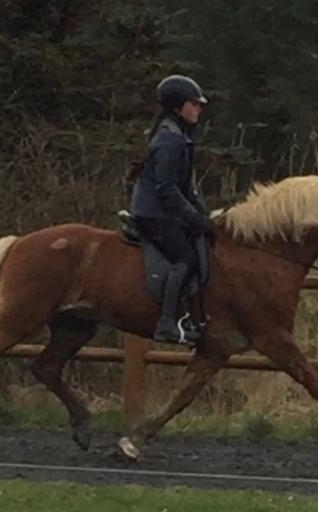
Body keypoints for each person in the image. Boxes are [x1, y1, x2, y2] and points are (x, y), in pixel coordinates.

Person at [129, 74, 216, 345]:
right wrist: (192, 218)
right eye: (193, 104)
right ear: (178, 106)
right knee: (186, 257)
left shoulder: (179, 136)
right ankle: (167, 322)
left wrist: (205, 217)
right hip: (153, 214)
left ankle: (191, 316)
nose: (199, 109)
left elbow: (187, 189)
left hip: (162, 210)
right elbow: (166, 189)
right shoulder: (170, 140)